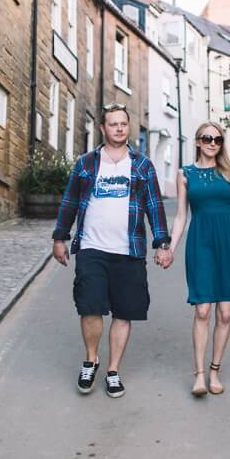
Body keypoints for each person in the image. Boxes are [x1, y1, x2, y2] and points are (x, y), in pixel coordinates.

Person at [52, 104, 173, 398]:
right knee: (90, 306)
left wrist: (162, 243)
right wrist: (60, 237)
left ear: (127, 127)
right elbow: (69, 201)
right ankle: (91, 359)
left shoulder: (142, 165)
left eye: (123, 124)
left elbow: (154, 206)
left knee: (123, 311)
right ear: (103, 128)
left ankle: (113, 370)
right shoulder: (86, 163)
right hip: (92, 246)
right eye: (113, 124)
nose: (119, 128)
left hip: (129, 250)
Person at [167, 121, 230, 396]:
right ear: (197, 141)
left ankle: (214, 372)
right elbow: (182, 216)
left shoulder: (228, 172)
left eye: (218, 140)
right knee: (203, 309)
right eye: (207, 138)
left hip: (229, 242)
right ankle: (198, 375)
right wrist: (172, 248)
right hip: (201, 243)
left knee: (225, 312)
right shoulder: (184, 174)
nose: (212, 143)